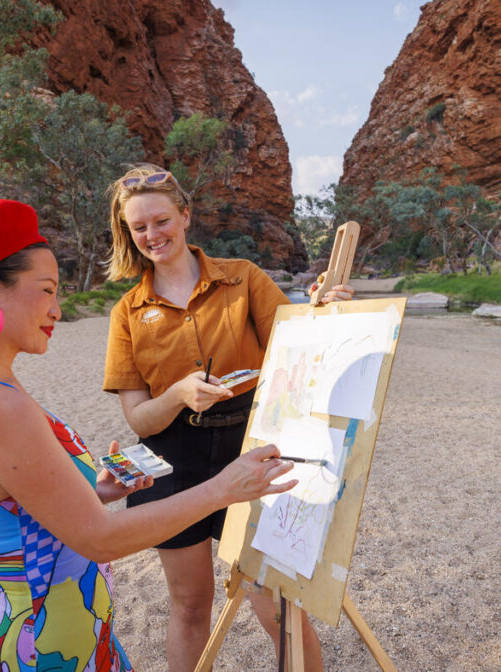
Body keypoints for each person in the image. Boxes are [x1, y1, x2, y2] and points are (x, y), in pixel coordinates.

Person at [0, 198, 296, 671]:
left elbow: (23, 504)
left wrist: (96, 489)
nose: (57, 309)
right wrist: (224, 488)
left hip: (69, 635)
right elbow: (101, 540)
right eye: (48, 290)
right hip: (49, 648)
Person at [102, 165, 354, 671]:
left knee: (276, 601)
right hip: (171, 461)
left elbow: (298, 345)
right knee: (192, 606)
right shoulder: (127, 311)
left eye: (161, 220)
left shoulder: (243, 278)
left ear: (185, 215)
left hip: (252, 443)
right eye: (139, 227)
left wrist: (320, 308)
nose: (153, 234)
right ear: (128, 234)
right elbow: (141, 419)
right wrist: (175, 394)